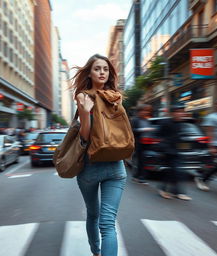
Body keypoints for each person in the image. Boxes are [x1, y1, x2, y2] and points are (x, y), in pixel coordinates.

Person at [71, 54, 127, 256]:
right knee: (94, 215)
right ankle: (96, 251)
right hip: (90, 167)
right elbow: (84, 137)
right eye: (97, 68)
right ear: (90, 72)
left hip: (115, 168)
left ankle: (97, 252)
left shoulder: (115, 96)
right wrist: (85, 113)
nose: (102, 72)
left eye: (105, 69)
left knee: (106, 222)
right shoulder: (83, 97)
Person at [157, 105, 192, 201]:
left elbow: (181, 137)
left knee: (177, 171)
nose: (181, 113)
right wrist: (163, 146)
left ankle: (176, 191)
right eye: (178, 111)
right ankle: (166, 190)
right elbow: (158, 135)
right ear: (173, 113)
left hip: (177, 151)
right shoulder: (165, 122)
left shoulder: (181, 124)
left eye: (182, 111)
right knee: (173, 171)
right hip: (167, 151)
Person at [194, 97, 217, 191]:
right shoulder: (212, 117)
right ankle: (202, 178)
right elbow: (209, 132)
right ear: (216, 105)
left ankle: (203, 178)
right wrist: (211, 146)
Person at [131, 104, 154, 184]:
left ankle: (138, 176)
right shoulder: (135, 120)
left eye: (147, 111)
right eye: (144, 110)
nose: (146, 112)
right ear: (139, 111)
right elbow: (132, 131)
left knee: (143, 161)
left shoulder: (146, 120)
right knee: (141, 160)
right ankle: (141, 177)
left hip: (147, 144)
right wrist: (143, 129)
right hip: (139, 144)